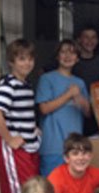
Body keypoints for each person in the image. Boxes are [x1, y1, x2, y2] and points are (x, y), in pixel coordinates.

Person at [0, 38, 41, 193]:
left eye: (30, 59)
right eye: (22, 59)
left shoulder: (26, 85)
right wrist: (10, 139)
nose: (27, 63)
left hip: (29, 146)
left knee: (32, 190)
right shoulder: (8, 85)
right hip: (15, 150)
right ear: (11, 62)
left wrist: (33, 129)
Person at [36, 39, 91, 177]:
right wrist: (68, 95)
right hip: (53, 146)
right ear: (57, 56)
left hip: (75, 148)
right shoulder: (46, 79)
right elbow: (44, 109)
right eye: (63, 52)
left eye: (72, 53)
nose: (68, 56)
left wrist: (81, 100)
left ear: (77, 58)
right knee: (51, 189)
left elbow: (88, 113)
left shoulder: (80, 83)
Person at [73, 25, 99, 136]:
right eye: (86, 37)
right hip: (74, 112)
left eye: (93, 37)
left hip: (97, 114)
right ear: (79, 39)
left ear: (98, 40)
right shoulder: (71, 62)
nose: (90, 41)